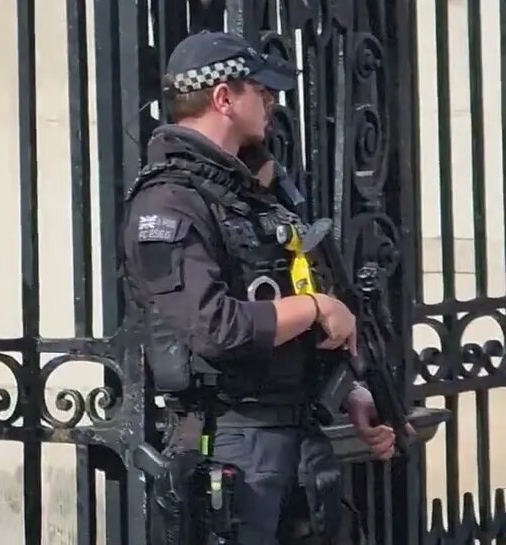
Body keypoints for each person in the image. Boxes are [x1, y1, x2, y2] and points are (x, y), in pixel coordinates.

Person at [121, 31, 405, 543]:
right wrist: (317, 307)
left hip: (295, 441)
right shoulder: (167, 203)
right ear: (223, 97)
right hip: (232, 445)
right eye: (261, 90)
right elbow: (215, 328)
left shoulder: (253, 196)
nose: (272, 102)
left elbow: (281, 300)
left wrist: (351, 393)